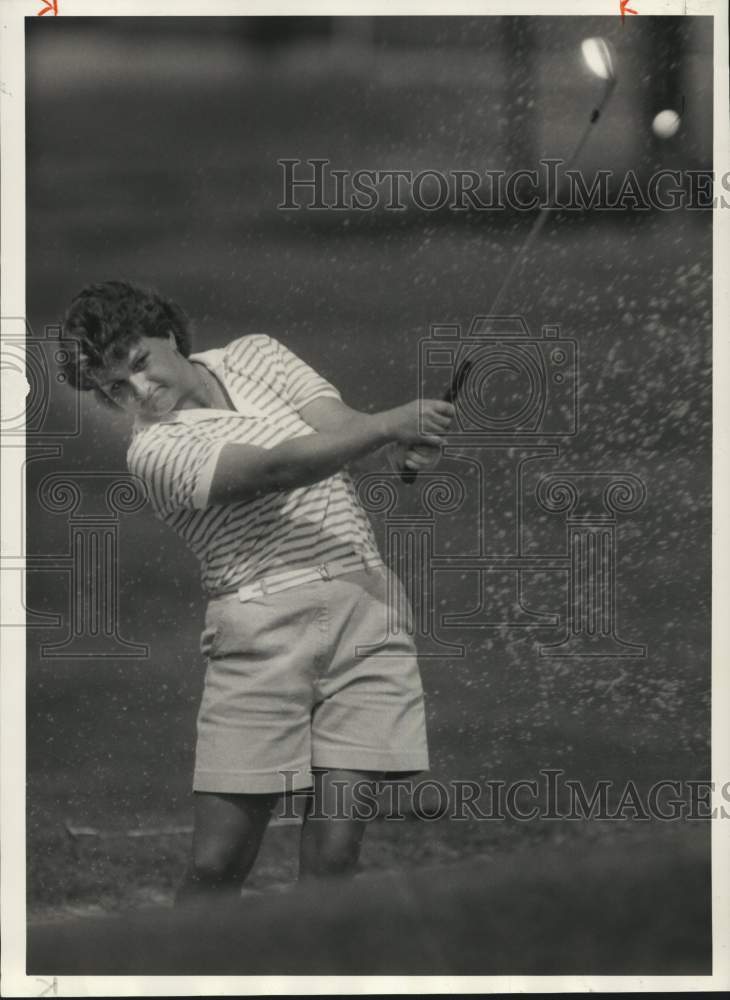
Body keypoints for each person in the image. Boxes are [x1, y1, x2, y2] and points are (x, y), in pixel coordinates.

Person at [60, 280, 454, 903]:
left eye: (139, 364)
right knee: (218, 863)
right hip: (262, 633)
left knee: (334, 855)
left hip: (368, 610)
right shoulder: (155, 451)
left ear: (169, 335)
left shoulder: (257, 354)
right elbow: (278, 467)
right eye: (115, 388)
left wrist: (395, 442)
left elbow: (341, 431)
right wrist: (389, 426)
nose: (140, 392)